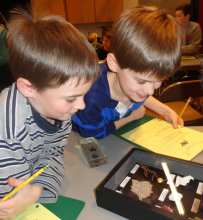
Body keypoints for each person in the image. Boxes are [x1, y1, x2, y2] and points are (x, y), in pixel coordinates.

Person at [0, 5, 100, 219]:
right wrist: (30, 192)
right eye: (72, 98)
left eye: (83, 95)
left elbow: (52, 153)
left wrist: (36, 190)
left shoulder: (59, 109)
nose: (81, 106)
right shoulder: (7, 130)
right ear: (28, 88)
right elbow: (11, 198)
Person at [72, 6, 184, 139]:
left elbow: (143, 95)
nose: (150, 91)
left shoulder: (133, 84)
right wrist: (130, 118)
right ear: (114, 64)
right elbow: (93, 134)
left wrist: (166, 111)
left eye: (158, 80)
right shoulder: (92, 100)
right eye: (141, 81)